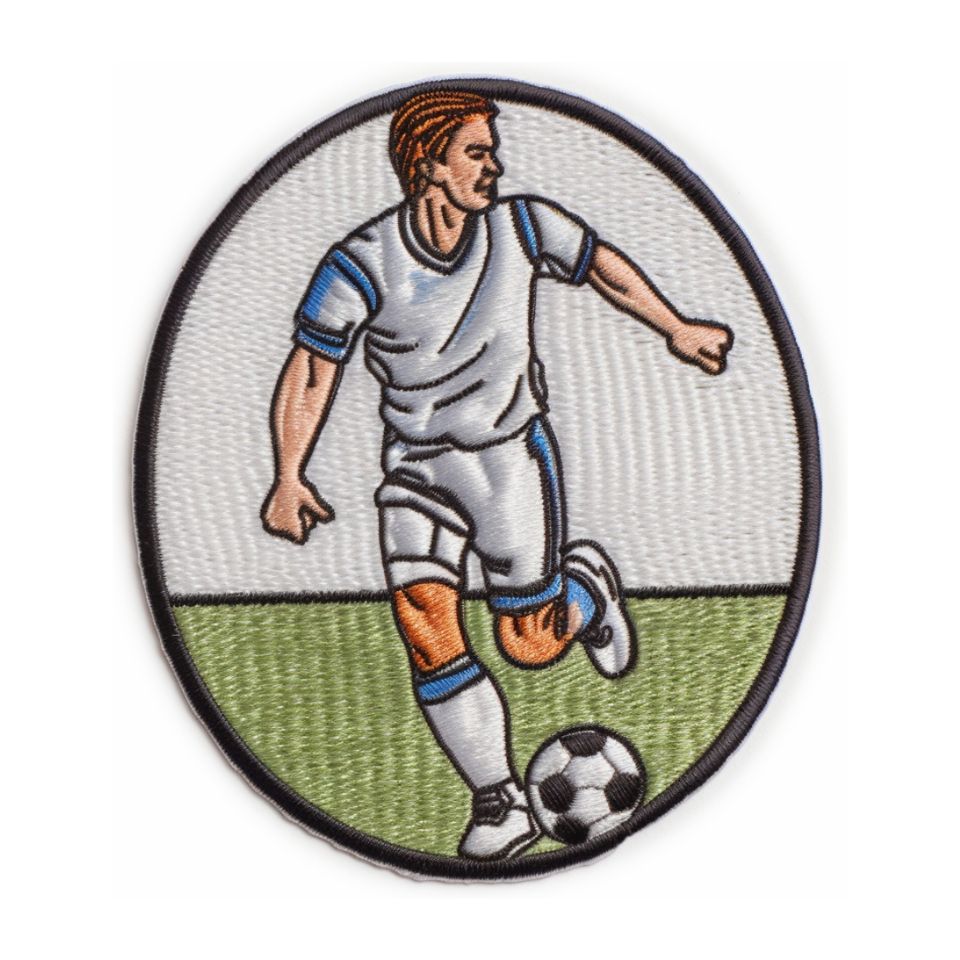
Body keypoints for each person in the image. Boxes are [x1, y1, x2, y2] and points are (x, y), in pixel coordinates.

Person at [262, 90, 733, 860]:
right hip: (415, 470)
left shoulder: (522, 226)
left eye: (492, 151)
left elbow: (603, 268)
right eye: (477, 153)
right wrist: (290, 474)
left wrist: (676, 327)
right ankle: (498, 802)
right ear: (428, 165)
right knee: (425, 629)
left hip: (509, 461)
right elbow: (314, 366)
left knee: (530, 645)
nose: (495, 166)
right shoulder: (361, 262)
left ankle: (587, 589)